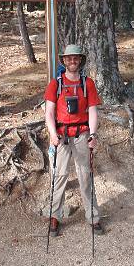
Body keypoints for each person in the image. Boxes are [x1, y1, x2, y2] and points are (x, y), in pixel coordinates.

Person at [44, 44, 104, 237]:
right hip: (61, 136)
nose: (72, 61)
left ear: (80, 61)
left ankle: (93, 217)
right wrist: (53, 134)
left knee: (85, 175)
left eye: (76, 58)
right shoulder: (56, 83)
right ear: (64, 61)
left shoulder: (88, 84)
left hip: (81, 134)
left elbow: (93, 111)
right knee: (59, 176)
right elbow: (49, 112)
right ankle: (54, 216)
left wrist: (93, 135)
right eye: (69, 58)